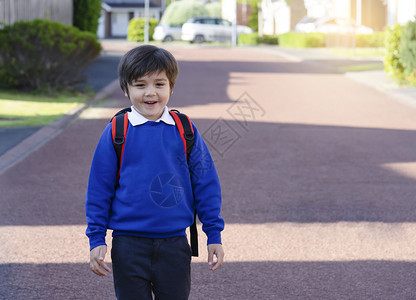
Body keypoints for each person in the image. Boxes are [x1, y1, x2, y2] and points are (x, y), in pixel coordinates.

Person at [85, 45, 225, 300]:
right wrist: (96, 238)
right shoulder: (117, 131)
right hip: (127, 244)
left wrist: (213, 233)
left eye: (159, 84)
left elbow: (205, 183)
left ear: (171, 87)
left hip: (174, 244)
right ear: (126, 89)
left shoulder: (185, 130)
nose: (150, 93)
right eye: (140, 85)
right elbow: (99, 189)